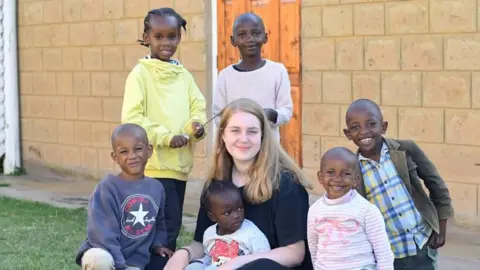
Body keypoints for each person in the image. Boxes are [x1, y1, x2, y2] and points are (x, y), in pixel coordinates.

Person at [165, 98, 313, 270]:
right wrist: (184, 253)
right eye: (235, 131)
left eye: (252, 131)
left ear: (263, 136)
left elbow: (294, 253)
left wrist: (237, 263)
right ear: (223, 135)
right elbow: (203, 241)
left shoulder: (286, 185)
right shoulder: (216, 184)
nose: (244, 139)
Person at [121, 7, 207, 260]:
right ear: (146, 37)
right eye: (159, 36)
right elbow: (132, 119)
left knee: (171, 226)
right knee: (148, 229)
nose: (166, 42)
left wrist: (195, 128)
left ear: (179, 38)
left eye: (172, 36)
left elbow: (198, 107)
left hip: (178, 168)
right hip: (152, 168)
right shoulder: (140, 75)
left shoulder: (184, 76)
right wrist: (167, 137)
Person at [343, 99, 454, 270]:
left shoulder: (405, 149)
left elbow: (436, 185)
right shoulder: (351, 169)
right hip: (387, 255)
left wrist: (441, 226)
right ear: (348, 134)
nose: (364, 132)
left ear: (383, 126)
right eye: (355, 127)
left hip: (421, 245)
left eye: (371, 124)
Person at [75, 123, 173, 270]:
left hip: (135, 261)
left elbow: (159, 224)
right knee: (98, 260)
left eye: (138, 149)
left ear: (149, 150)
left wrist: (158, 245)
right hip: (105, 253)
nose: (132, 156)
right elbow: (102, 234)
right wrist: (120, 266)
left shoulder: (156, 188)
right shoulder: (108, 187)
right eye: (124, 152)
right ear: (115, 157)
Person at [307, 147, 394, 270]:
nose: (337, 179)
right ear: (320, 177)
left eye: (346, 173)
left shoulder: (366, 210)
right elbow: (313, 246)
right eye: (330, 172)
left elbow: (383, 251)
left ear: (356, 180)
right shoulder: (315, 210)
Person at [212, 12, 293, 141]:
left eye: (256, 33)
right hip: (237, 147)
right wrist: (238, 125)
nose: (250, 39)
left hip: (268, 148)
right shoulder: (225, 76)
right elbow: (218, 116)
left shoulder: (277, 71)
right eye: (242, 35)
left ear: (265, 37)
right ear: (233, 41)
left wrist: (272, 114)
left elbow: (286, 111)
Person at [186, 180, 271, 270]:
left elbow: (265, 260)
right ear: (212, 217)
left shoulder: (251, 233)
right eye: (227, 213)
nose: (236, 216)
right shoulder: (209, 234)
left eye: (239, 208)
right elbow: (208, 257)